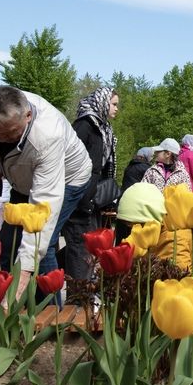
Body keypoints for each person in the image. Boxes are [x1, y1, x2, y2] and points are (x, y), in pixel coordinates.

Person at [0, 85, 92, 285]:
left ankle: (48, 311)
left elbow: (45, 203)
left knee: (42, 243)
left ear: (28, 115)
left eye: (11, 133)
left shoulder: (48, 135)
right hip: (25, 177)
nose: (4, 139)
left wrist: (25, 272)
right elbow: (0, 142)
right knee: (9, 241)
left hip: (68, 178)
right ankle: (6, 301)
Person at [65, 87, 119, 280]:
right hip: (79, 199)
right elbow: (70, 160)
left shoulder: (103, 129)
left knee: (87, 251)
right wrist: (81, 194)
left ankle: (82, 292)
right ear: (102, 102)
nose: (116, 109)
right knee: (79, 249)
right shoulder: (85, 125)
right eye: (113, 104)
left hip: (92, 200)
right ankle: (77, 299)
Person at [115, 182, 193, 277]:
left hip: (180, 289)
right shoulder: (161, 227)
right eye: (128, 225)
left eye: (133, 223)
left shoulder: (174, 237)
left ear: (148, 217)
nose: (132, 229)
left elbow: (178, 277)